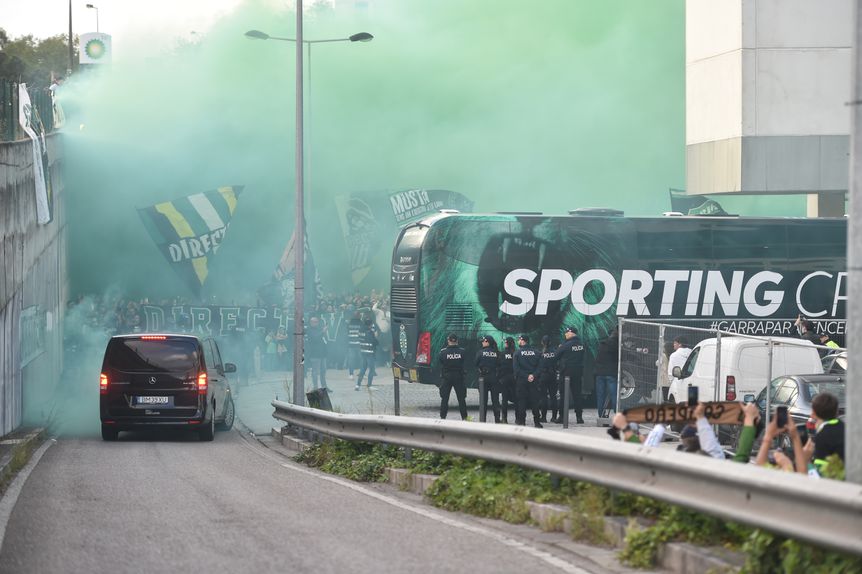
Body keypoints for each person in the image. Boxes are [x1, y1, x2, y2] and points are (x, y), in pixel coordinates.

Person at [803, 391, 845, 475]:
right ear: (836, 412)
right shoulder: (845, 427)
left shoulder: (822, 436)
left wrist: (806, 460)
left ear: (813, 413)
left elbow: (819, 474)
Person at [555, 326, 585, 424]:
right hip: (578, 372)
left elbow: (556, 356)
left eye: (567, 332)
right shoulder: (581, 344)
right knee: (577, 395)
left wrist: (560, 348)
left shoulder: (565, 345)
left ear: (572, 333)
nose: (565, 334)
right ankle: (579, 417)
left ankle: (562, 417)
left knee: (563, 395)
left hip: (566, 372)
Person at [513, 334, 543, 427]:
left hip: (522, 380)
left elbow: (516, 369)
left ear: (522, 341)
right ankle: (537, 422)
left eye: (519, 340)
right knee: (535, 401)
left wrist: (526, 376)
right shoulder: (537, 352)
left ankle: (522, 422)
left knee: (522, 401)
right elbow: (540, 367)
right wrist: (533, 375)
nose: (518, 341)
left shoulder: (517, 353)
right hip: (534, 380)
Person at [438, 333, 468, 420]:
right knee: (461, 399)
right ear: (457, 341)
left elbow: (441, 362)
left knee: (445, 398)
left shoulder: (443, 352)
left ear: (448, 341)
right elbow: (464, 362)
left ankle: (443, 417)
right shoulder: (462, 351)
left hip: (447, 377)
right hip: (459, 377)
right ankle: (464, 417)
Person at [475, 336, 501, 423]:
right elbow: (499, 364)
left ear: (487, 342)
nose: (482, 342)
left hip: (483, 378)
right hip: (494, 377)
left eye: (483, 341)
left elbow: (476, 363)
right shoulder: (497, 352)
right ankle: (497, 420)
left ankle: (483, 421)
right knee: (495, 400)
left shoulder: (480, 352)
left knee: (483, 401)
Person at [593, 329, 619, 416]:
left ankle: (601, 414)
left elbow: (597, 358)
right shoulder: (617, 345)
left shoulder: (602, 344)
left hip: (600, 373)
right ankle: (616, 413)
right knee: (614, 394)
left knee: (600, 395)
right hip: (611, 373)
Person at [538, 335, 558, 423]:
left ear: (542, 342)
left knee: (543, 397)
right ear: (550, 342)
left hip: (543, 376)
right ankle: (554, 417)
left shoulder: (541, 353)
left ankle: (543, 417)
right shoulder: (555, 352)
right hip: (553, 375)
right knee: (553, 397)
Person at [305, 316, 328, 391]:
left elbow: (323, 339)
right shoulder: (309, 329)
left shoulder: (319, 329)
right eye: (313, 322)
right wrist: (323, 332)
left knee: (323, 371)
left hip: (322, 353)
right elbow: (315, 338)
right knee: (315, 372)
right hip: (314, 354)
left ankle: (324, 387)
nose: (314, 323)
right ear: (310, 322)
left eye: (316, 322)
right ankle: (315, 387)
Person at [666, 336, 692, 402]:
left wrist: (671, 382)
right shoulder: (692, 352)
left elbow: (670, 371)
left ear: (680, 344)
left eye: (675, 343)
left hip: (678, 382)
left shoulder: (674, 355)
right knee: (692, 402)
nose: (673, 344)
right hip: (692, 380)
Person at [498, 337, 517, 424]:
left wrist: (500, 377)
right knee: (516, 399)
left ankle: (504, 419)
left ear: (507, 343)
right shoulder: (515, 353)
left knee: (504, 399)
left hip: (504, 378)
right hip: (514, 378)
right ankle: (518, 418)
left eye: (505, 342)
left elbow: (499, 365)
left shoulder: (502, 354)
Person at [354, 320, 378, 390]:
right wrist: (375, 336)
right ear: (369, 325)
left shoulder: (360, 331)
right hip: (370, 353)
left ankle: (358, 385)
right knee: (372, 369)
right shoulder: (370, 332)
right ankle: (369, 385)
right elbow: (375, 342)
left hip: (363, 352)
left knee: (363, 369)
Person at [346, 311, 362, 378]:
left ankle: (351, 374)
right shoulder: (361, 323)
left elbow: (346, 333)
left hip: (352, 344)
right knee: (361, 359)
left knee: (351, 360)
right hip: (358, 345)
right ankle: (361, 373)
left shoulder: (349, 323)